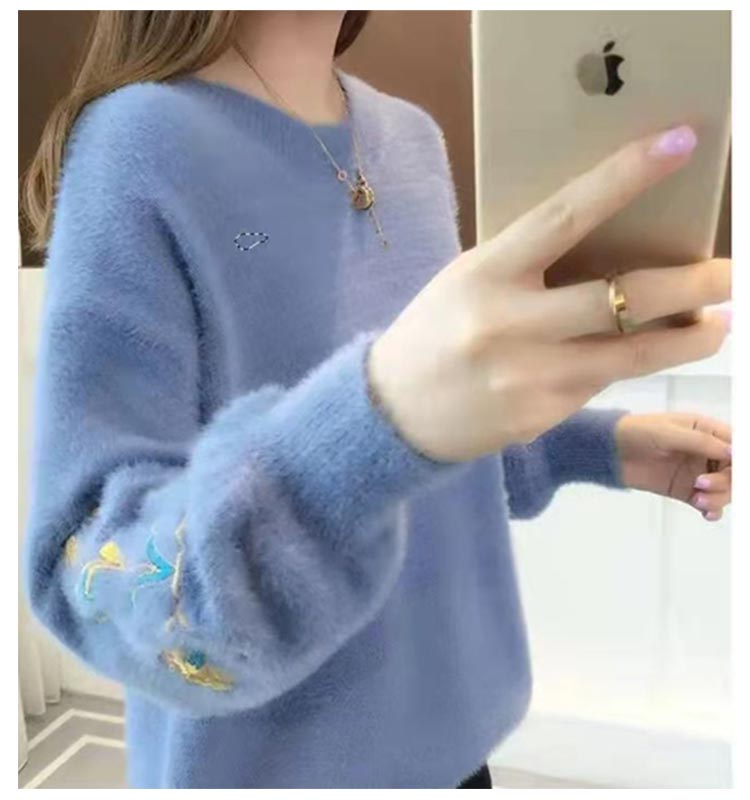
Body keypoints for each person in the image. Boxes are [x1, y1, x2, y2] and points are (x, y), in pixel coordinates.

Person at [20, 10, 732, 790]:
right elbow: (87, 575)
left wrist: (592, 447)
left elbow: (426, 446)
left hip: (456, 741)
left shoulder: (411, 139)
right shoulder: (135, 145)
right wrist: (380, 414)